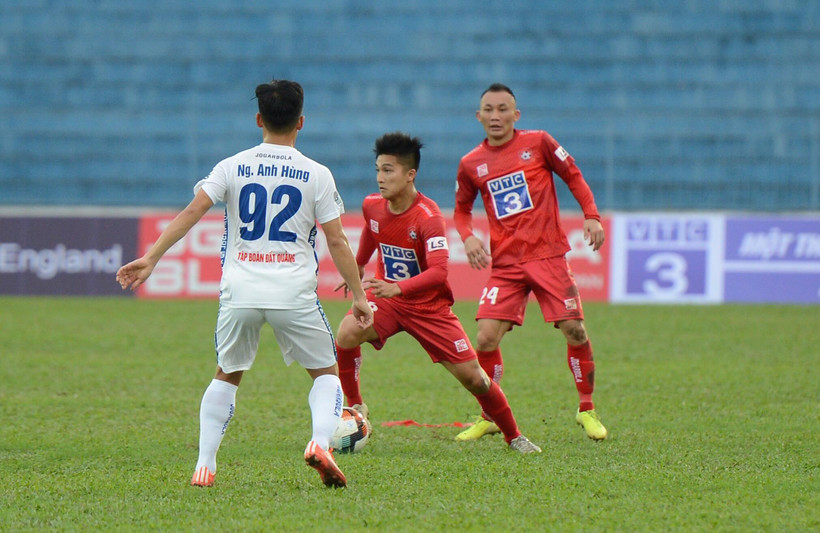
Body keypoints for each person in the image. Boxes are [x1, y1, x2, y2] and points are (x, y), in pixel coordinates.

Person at [116, 79, 373, 488]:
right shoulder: (317, 174)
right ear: (301, 122)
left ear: (258, 119)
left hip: (240, 292)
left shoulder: (232, 165)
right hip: (293, 294)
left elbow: (193, 210)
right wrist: (359, 296)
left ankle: (205, 464)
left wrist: (151, 257)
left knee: (226, 374)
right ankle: (321, 442)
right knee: (326, 374)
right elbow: (338, 240)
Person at [333, 131, 541, 454]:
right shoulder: (372, 206)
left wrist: (397, 286)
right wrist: (358, 266)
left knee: (476, 379)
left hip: (429, 309)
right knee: (346, 333)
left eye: (388, 170)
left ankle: (514, 436)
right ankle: (356, 407)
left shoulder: (428, 218)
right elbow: (373, 234)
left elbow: (439, 272)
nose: (380, 178)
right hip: (388, 301)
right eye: (378, 170)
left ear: (410, 174)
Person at [453, 83, 609, 442]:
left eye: (503, 109)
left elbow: (573, 176)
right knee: (486, 338)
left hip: (548, 255)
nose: (496, 116)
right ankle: (490, 415)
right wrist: (469, 236)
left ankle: (586, 409)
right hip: (507, 265)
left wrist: (592, 215)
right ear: (478, 116)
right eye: (489, 110)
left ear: (515, 115)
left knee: (576, 330)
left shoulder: (538, 142)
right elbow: (462, 211)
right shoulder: (471, 163)